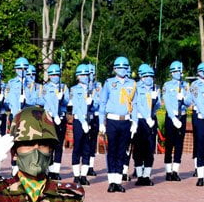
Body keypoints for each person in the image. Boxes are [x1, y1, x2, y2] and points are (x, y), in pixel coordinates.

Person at [98, 56, 136, 192]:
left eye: (124, 67)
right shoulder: (109, 83)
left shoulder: (132, 84)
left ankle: (118, 181)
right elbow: (103, 103)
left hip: (125, 120)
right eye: (119, 67)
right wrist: (101, 122)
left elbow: (135, 104)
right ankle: (111, 181)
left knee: (122, 151)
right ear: (114, 69)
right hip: (112, 120)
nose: (122, 69)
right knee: (112, 150)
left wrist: (135, 122)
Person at [131, 64, 161, 186]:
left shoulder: (155, 88)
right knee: (138, 149)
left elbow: (158, 105)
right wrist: (146, 116)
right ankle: (139, 175)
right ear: (141, 77)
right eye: (146, 76)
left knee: (150, 149)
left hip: (151, 120)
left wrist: (155, 100)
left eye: (151, 76)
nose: (149, 78)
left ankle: (146, 176)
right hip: (140, 120)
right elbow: (136, 104)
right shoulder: (137, 88)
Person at [162, 61, 187, 181]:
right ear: (172, 73)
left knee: (179, 145)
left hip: (182, 116)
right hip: (171, 117)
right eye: (175, 71)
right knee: (169, 144)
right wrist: (173, 118)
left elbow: (190, 102)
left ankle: (175, 171)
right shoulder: (167, 85)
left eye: (179, 71)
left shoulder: (186, 85)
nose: (178, 73)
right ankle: (168, 171)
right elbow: (166, 102)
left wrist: (184, 99)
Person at [42, 64, 68, 180]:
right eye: (52, 75)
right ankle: (49, 169)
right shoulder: (46, 87)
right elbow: (48, 101)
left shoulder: (64, 87)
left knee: (58, 144)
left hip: (61, 118)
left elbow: (67, 101)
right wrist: (55, 114)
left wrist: (62, 98)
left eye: (57, 74)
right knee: (49, 144)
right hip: (50, 117)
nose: (55, 77)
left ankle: (56, 171)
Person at [69, 65, 93, 185]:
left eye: (86, 75)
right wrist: (83, 122)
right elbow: (76, 106)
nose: (85, 77)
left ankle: (84, 175)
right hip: (79, 121)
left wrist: (92, 102)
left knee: (87, 148)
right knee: (77, 147)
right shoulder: (74, 89)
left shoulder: (92, 89)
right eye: (82, 75)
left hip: (89, 120)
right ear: (78, 76)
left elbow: (98, 105)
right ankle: (76, 175)